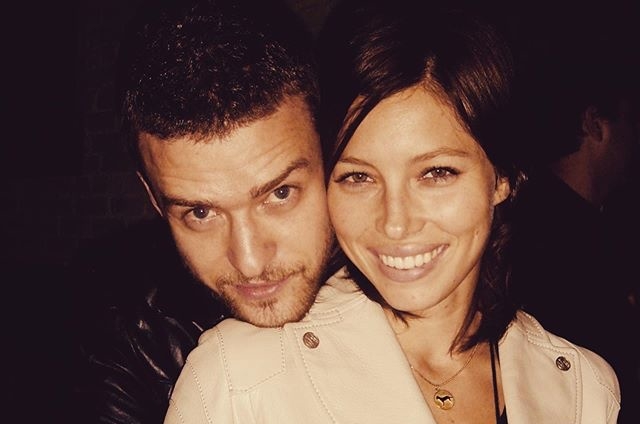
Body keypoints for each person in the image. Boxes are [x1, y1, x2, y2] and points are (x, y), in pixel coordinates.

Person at [164, 1, 621, 423]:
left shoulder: (584, 390)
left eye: (436, 173)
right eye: (358, 177)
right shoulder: (239, 379)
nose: (395, 223)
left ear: (502, 178)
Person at [71, 0, 335, 422]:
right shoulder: (128, 329)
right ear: (154, 198)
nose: (250, 262)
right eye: (199, 213)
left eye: (280, 193)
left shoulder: (401, 266)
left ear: (330, 154)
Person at [508, 6, 640, 422]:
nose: (634, 139)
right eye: (629, 122)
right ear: (595, 124)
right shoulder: (551, 238)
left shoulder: (593, 222)